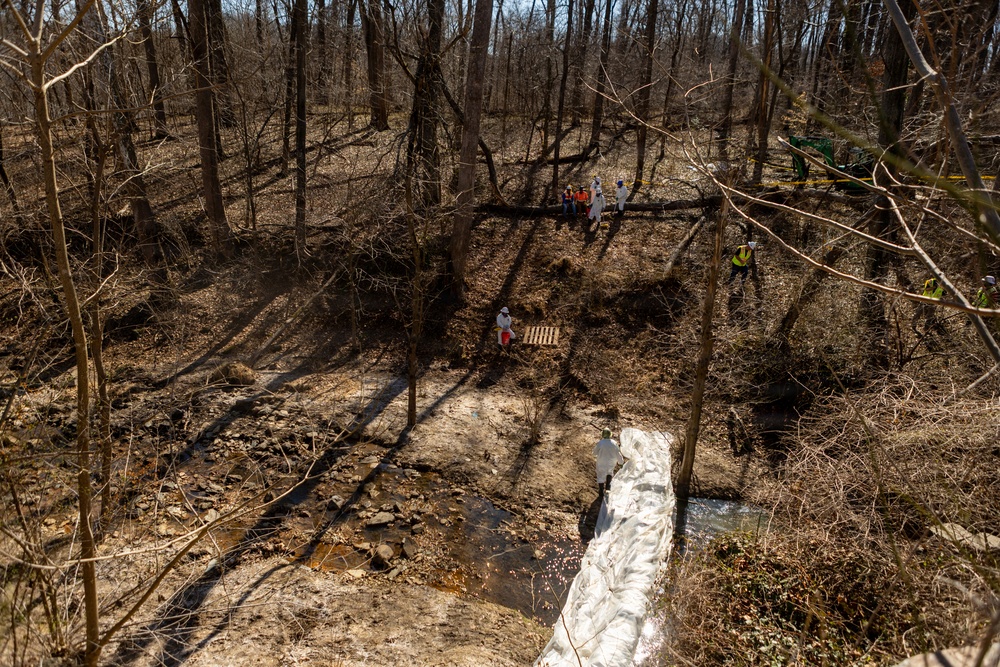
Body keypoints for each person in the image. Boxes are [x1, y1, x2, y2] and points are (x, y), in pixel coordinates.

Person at [594, 428, 623, 496]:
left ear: (602, 434)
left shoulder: (600, 443)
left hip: (601, 462)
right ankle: (608, 487)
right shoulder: (614, 443)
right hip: (611, 462)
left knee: (600, 476)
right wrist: (621, 462)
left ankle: (601, 491)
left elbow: (594, 452)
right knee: (609, 472)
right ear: (610, 434)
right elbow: (618, 453)